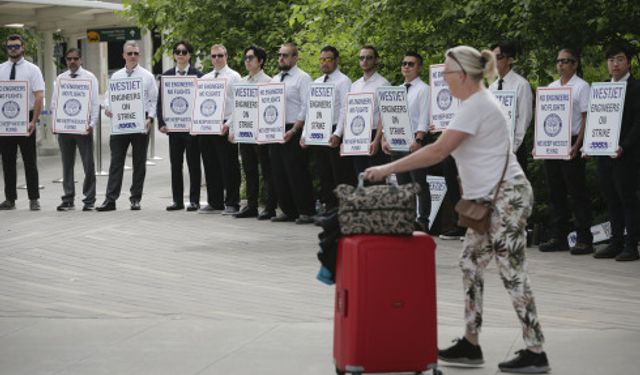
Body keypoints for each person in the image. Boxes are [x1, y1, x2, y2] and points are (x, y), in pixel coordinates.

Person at [363, 45, 550, 374]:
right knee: (470, 263)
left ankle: (535, 350)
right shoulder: (473, 103)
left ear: (462, 75)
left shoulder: (477, 105)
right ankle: (470, 343)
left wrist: (386, 169)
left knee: (512, 271)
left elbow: (437, 151)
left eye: (447, 74)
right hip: (488, 201)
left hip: (507, 197)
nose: (443, 80)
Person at [537, 48, 593, 255]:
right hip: (551, 141)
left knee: (577, 191)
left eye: (566, 61)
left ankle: (584, 238)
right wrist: (539, 143)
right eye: (558, 61)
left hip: (571, 141)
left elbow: (587, 119)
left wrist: (577, 146)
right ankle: (559, 235)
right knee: (555, 191)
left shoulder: (581, 87)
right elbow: (544, 117)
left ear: (575, 64)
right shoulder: (551, 87)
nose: (561, 65)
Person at [97, 40, 158, 211]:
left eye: (136, 53)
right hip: (120, 124)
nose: (133, 56)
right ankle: (110, 200)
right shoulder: (116, 76)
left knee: (139, 163)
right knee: (116, 162)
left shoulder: (147, 76)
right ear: (123, 55)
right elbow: (109, 97)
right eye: (129, 53)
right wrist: (108, 108)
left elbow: (154, 100)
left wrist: (150, 118)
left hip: (141, 123)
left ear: (139, 55)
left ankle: (135, 198)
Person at [593, 43, 640, 261]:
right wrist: (588, 144)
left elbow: (638, 123)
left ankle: (631, 244)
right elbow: (596, 119)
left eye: (620, 59)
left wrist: (625, 146)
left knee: (627, 199)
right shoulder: (602, 88)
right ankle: (615, 241)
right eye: (611, 60)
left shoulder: (636, 88)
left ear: (628, 62)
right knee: (610, 198)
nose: (615, 64)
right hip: (603, 153)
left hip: (626, 154)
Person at [381, 51, 431, 231]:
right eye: (404, 64)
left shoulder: (424, 89)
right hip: (396, 143)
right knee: (403, 185)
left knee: (419, 184)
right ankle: (408, 218)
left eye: (411, 64)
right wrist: (385, 138)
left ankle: (423, 220)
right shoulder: (398, 90)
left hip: (413, 143)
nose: (407, 67)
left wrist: (419, 139)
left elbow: (424, 117)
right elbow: (390, 115)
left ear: (419, 67)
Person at [301, 45, 355, 212]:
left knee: (339, 173)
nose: (324, 63)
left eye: (328, 59)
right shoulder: (316, 82)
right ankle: (329, 207)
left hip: (334, 131)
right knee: (323, 172)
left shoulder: (343, 81)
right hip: (318, 131)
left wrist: (338, 133)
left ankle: (343, 209)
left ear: (336, 61)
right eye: (322, 59)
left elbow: (345, 109)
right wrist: (305, 134)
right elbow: (311, 109)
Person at [269, 42, 315, 224]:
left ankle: (306, 210)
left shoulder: (302, 78)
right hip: (275, 129)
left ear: (295, 58)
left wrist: (295, 129)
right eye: (280, 55)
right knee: (278, 172)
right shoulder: (274, 80)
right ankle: (288, 210)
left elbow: (307, 106)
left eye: (285, 55)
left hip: (294, 128)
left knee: (297, 172)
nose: (281, 58)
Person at [231, 45, 277, 220]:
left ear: (261, 61)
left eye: (251, 58)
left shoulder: (269, 82)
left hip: (263, 135)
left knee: (266, 170)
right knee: (249, 170)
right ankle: (251, 205)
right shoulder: (241, 83)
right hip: (245, 133)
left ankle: (270, 207)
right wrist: (233, 129)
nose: (247, 61)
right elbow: (238, 109)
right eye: (246, 58)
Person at [50, 48, 99, 211]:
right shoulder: (60, 79)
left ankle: (89, 200)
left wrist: (91, 124)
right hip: (64, 129)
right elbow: (54, 103)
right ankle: (68, 198)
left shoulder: (90, 78)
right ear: (66, 60)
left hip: (83, 129)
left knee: (88, 165)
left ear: (81, 60)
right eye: (69, 59)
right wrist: (54, 123)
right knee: (67, 164)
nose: (72, 61)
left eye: (75, 58)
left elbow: (94, 103)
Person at [158, 40, 203, 212]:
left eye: (184, 52)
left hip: (192, 129)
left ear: (190, 55)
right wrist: (161, 123)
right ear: (174, 55)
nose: (181, 55)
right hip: (174, 129)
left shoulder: (198, 76)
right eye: (178, 52)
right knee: (175, 165)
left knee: (193, 165)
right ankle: (177, 200)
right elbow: (160, 101)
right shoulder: (166, 75)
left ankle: (194, 200)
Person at [0, 34, 44, 211]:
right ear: (6, 48)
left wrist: (34, 121)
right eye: (10, 47)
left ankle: (34, 199)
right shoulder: (1, 69)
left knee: (29, 161)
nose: (13, 49)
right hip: (5, 120)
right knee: (8, 161)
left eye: (16, 46)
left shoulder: (32, 70)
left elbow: (39, 96)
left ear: (23, 47)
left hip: (26, 119)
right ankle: (10, 198)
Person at [198, 44, 242, 215]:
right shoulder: (206, 78)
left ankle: (232, 202)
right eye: (214, 56)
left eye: (220, 55)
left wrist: (229, 124)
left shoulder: (234, 76)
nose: (217, 59)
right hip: (207, 125)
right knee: (210, 164)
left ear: (227, 56)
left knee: (229, 165)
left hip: (225, 125)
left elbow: (239, 104)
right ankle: (214, 202)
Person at [489, 41, 533, 175]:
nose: (494, 61)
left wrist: (513, 148)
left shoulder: (521, 85)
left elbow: (524, 119)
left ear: (510, 60)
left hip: (514, 149)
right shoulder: (492, 87)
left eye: (499, 57)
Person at [349, 44, 390, 176]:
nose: (364, 61)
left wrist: (377, 140)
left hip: (373, 135)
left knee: (376, 180)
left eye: (369, 58)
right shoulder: (354, 85)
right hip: (357, 136)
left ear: (376, 60)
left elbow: (385, 116)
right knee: (361, 177)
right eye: (361, 58)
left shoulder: (383, 84)